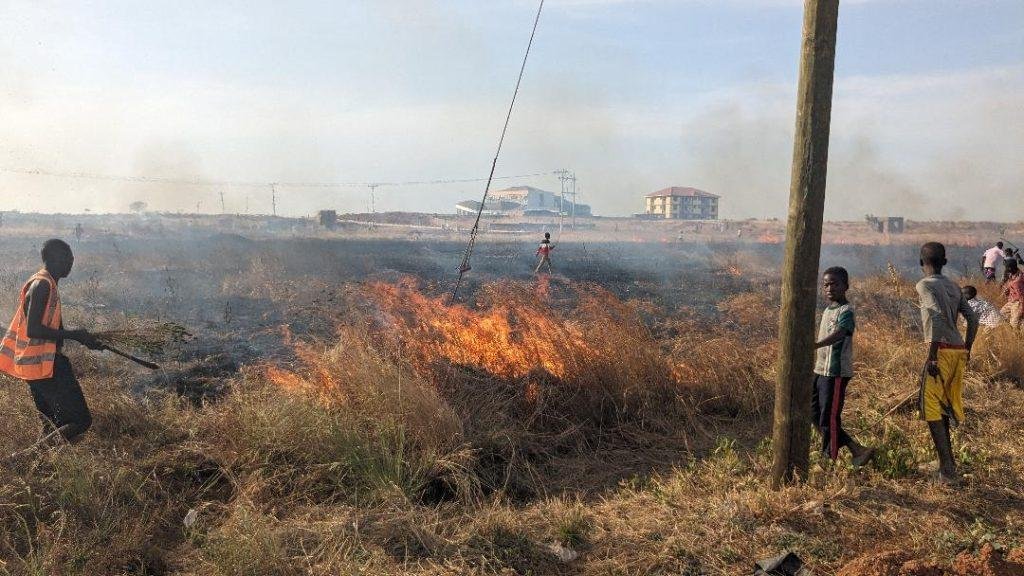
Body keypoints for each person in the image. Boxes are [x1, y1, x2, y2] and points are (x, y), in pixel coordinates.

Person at [0, 239, 103, 442]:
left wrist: (87, 340)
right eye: (68, 257)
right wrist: (75, 335)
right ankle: (29, 455)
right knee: (81, 421)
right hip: (44, 366)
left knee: (52, 423)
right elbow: (34, 329)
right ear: (55, 258)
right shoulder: (42, 285)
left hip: (40, 366)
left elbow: (56, 329)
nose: (72, 262)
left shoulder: (49, 284)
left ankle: (35, 463)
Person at [916, 242, 979, 484]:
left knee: (931, 407)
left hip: (940, 351)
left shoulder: (924, 285)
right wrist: (968, 349)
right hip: (957, 351)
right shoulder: (953, 286)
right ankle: (947, 463)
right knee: (941, 405)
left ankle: (948, 472)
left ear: (922, 263)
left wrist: (931, 355)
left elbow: (936, 317)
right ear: (945, 262)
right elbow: (972, 318)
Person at [812, 267, 875, 466]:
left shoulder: (846, 311)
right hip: (820, 369)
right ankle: (857, 450)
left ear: (845, 286)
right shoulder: (827, 310)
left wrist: (815, 345)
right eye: (826, 285)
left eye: (834, 284)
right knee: (813, 413)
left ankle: (828, 459)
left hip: (836, 372)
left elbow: (841, 333)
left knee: (828, 418)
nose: (829, 288)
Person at [1001, 260, 1023, 329]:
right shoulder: (1012, 275)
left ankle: (1017, 338)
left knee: (1014, 323)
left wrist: (1022, 309)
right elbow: (1009, 285)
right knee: (1000, 316)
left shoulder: (1018, 280)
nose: (1005, 269)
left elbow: (1022, 296)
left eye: (1007, 268)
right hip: (1011, 301)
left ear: (1010, 268)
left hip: (1018, 302)